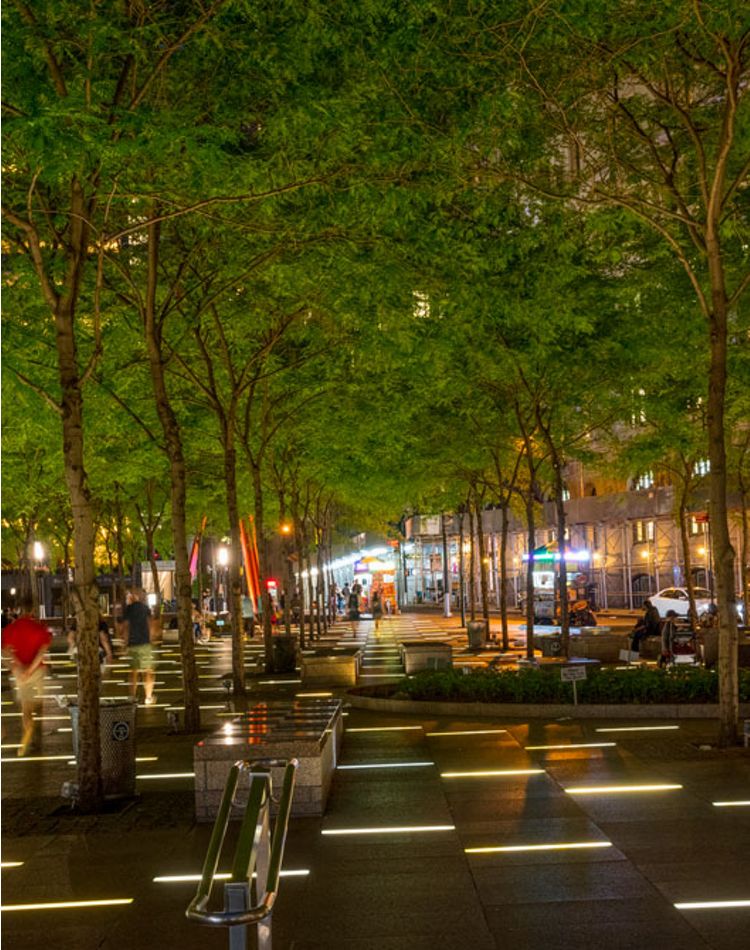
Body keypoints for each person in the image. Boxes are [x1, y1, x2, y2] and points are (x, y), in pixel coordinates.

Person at [1, 594, 52, 756]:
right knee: (39, 704)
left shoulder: (11, 629)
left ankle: (27, 737)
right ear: (32, 609)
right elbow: (43, 651)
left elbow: (5, 650)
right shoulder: (39, 628)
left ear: (19, 609)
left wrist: (18, 666)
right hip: (37, 672)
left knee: (26, 709)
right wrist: (31, 669)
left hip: (20, 673)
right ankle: (37, 736)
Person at [117, 588, 156, 704]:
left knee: (133, 672)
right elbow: (151, 625)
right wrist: (152, 639)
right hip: (145, 643)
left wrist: (124, 643)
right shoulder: (146, 609)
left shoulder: (128, 610)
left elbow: (125, 627)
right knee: (148, 671)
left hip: (133, 644)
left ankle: (132, 696)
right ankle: (148, 697)